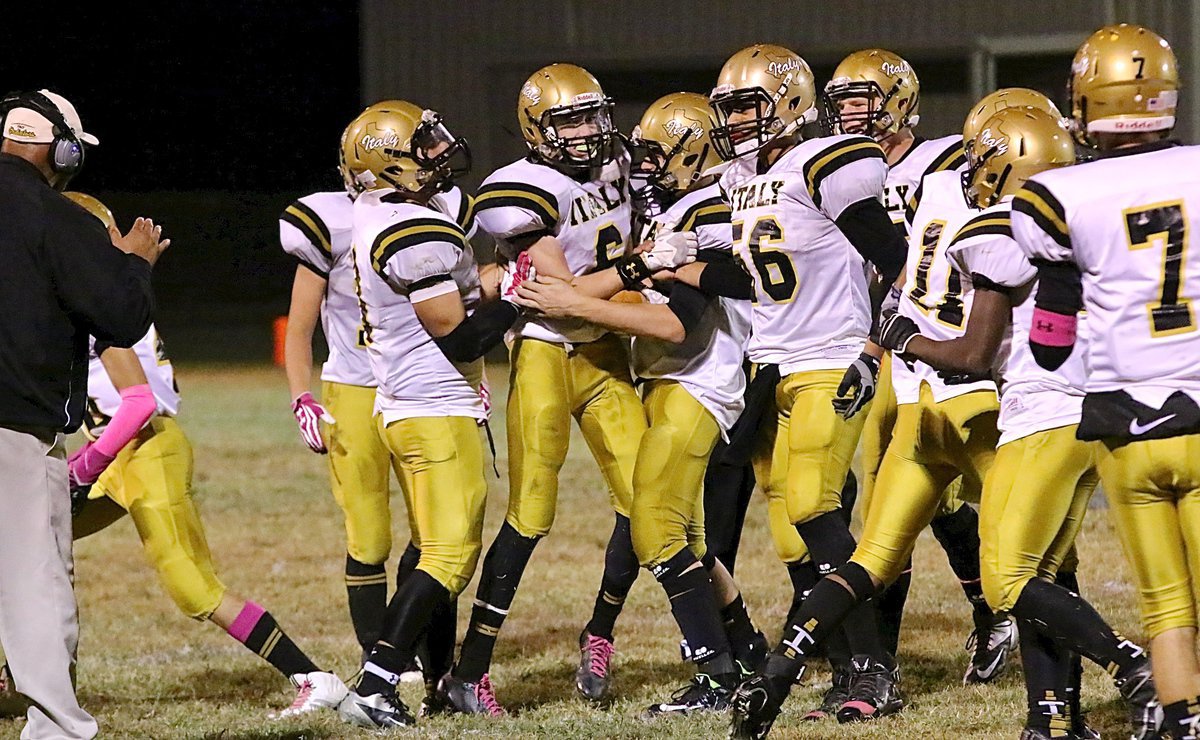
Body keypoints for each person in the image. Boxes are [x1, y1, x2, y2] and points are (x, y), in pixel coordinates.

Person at [878, 105, 1159, 740]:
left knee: (1006, 579)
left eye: (983, 161)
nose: (971, 174)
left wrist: (908, 341)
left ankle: (1131, 665)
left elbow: (974, 356)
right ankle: (1054, 719)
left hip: (1043, 413)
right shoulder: (1087, 220)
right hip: (1092, 412)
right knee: (1045, 576)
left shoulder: (1002, 230)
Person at [516, 92, 766, 717]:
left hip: (698, 381)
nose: (644, 164)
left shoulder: (708, 213)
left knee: (655, 528)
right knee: (687, 535)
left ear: (695, 152)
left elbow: (679, 324)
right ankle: (746, 650)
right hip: (673, 381)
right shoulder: (683, 206)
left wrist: (577, 306)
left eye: (658, 153)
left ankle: (714, 679)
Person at [63, 192, 349, 720]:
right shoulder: (102, 292)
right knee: (26, 547)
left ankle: (314, 678)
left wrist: (83, 466)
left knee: (195, 589)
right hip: (118, 454)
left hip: (142, 450)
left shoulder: (98, 302)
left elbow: (139, 403)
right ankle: (27, 676)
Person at [702, 43, 907, 727]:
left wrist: (875, 348)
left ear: (790, 102)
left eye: (746, 106)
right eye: (726, 108)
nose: (732, 121)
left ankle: (875, 669)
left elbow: (900, 259)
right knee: (793, 533)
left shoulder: (824, 162)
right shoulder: (742, 177)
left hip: (830, 357)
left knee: (819, 510)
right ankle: (845, 660)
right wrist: (682, 265)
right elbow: (760, 275)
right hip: (773, 365)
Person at [442, 63, 650, 712]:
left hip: (606, 352)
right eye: (572, 120)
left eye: (595, 115)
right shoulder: (521, 189)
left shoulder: (623, 166)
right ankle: (469, 670)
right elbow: (563, 301)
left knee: (649, 502)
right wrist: (647, 267)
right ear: (539, 130)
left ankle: (600, 632)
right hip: (547, 352)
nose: (590, 131)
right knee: (531, 512)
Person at [1013, 23, 1192, 739]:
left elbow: (1051, 345)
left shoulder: (1059, 195)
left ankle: (1184, 726)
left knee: (1168, 607)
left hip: (1126, 425)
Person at [823, 51, 1012, 687]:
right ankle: (887, 654)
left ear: (901, 100)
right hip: (892, 342)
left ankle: (1007, 610)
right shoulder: (843, 169)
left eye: (864, 100)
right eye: (842, 102)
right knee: (893, 499)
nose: (852, 114)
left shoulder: (945, 162)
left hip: (956, 341)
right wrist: (871, 348)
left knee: (970, 496)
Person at [279, 99, 477, 696]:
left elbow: (457, 307)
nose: (438, 155)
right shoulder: (337, 219)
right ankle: (381, 668)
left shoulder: (444, 209)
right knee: (370, 537)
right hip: (355, 388)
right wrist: (301, 395)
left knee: (431, 537)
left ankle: (427, 672)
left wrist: (478, 377)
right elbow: (299, 322)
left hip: (420, 388)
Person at [334, 101, 511, 729]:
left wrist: (485, 284)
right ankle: (377, 681)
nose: (439, 151)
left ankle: (436, 678)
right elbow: (460, 340)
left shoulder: (377, 212)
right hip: (432, 409)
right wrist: (514, 298)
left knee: (426, 550)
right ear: (392, 165)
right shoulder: (412, 232)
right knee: (450, 557)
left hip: (409, 404)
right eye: (424, 145)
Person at [0, 89, 166, 740]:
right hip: (11, 422)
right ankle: (58, 729)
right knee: (35, 582)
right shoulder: (54, 216)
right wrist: (136, 266)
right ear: (59, 147)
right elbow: (120, 317)